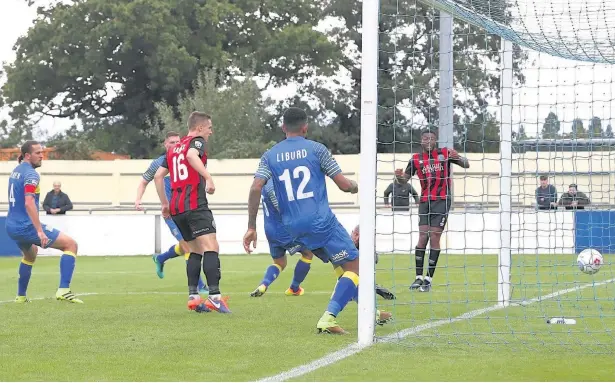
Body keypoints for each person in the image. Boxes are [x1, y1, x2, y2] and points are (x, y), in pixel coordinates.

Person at [243, 107, 390, 334]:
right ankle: (329, 318)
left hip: (292, 226)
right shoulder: (316, 149)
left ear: (283, 128)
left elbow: (255, 187)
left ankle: (372, 312)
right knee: (356, 266)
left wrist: (251, 226)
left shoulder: (269, 156)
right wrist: (356, 187)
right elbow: (343, 184)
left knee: (342, 267)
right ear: (305, 128)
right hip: (320, 221)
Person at [153, 112, 229, 313]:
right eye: (209, 127)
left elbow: (159, 176)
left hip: (177, 207)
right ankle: (214, 297)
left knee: (194, 250)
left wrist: (164, 203)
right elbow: (191, 156)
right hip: (195, 204)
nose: (211, 132)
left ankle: (193, 297)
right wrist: (208, 177)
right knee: (211, 246)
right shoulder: (195, 143)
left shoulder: (172, 150)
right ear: (200, 128)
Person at [6, 140, 82, 303]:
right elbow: (28, 202)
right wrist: (39, 230)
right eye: (38, 153)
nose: (42, 156)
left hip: (11, 225)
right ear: (27, 155)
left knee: (30, 254)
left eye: (42, 152)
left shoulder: (17, 170)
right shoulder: (32, 174)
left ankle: (20, 297)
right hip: (25, 226)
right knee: (71, 245)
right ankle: (64, 290)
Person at [135, 131, 207, 294]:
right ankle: (199, 286)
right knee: (189, 247)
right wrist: (138, 200)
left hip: (188, 208)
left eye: (177, 142)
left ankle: (161, 258)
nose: (175, 145)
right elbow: (144, 181)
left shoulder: (185, 159)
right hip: (171, 212)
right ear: (165, 145)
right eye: (171, 142)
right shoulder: (159, 163)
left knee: (194, 245)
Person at [400, 128, 470, 292]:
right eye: (425, 138)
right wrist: (398, 176)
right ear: (421, 141)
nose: (428, 141)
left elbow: (466, 164)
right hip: (425, 202)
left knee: (435, 236)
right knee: (422, 237)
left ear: (435, 140)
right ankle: (418, 278)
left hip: (442, 200)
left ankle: (428, 279)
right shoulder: (416, 159)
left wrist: (458, 156)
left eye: (431, 138)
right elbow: (404, 179)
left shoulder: (444, 154)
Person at [249, 178, 319, 297]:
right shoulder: (277, 183)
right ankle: (294, 288)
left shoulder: (263, 183)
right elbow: (283, 207)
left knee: (279, 262)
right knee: (307, 253)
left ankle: (264, 284)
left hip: (270, 230)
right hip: (285, 229)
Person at [350, 224, 396, 300]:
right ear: (353, 233)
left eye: (360, 237)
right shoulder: (346, 242)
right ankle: (377, 289)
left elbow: (376, 259)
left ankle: (375, 288)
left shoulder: (365, 244)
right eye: (356, 235)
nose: (357, 238)